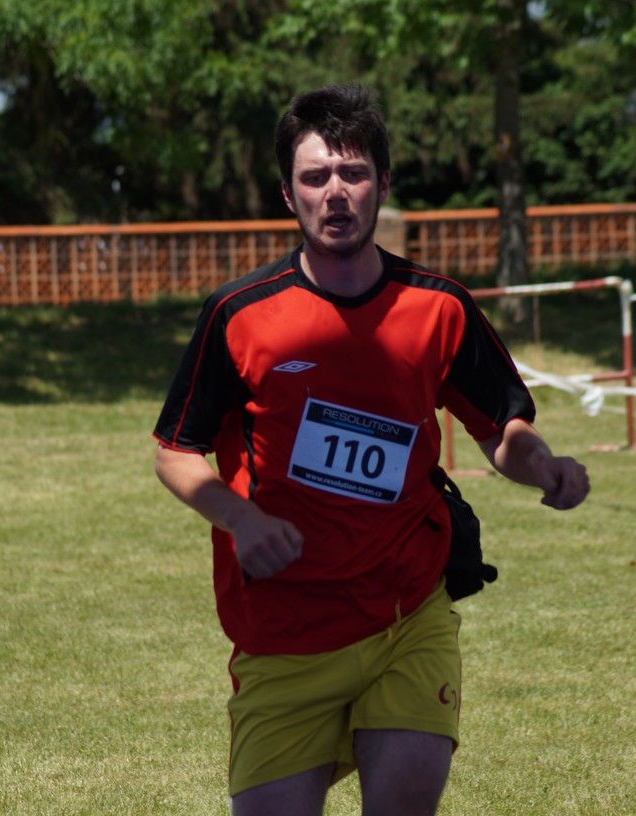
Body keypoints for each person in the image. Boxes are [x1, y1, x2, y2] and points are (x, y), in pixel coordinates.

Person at [152, 83, 589, 816]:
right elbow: (175, 452)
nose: (335, 192)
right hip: (285, 633)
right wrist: (241, 519)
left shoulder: (440, 307)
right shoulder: (238, 315)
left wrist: (541, 465)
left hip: (406, 615)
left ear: (383, 184)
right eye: (315, 176)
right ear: (288, 194)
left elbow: (499, 429)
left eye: (353, 173)